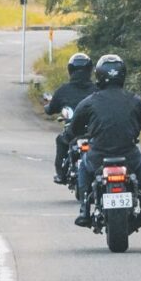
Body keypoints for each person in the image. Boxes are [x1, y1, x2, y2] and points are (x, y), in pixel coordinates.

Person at [63, 53, 141, 226]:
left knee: (83, 167)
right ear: (123, 75)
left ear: (99, 75)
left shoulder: (89, 102)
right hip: (129, 156)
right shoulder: (135, 100)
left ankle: (85, 209)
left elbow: (74, 129)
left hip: (98, 157)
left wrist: (75, 133)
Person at [42, 50, 95, 184]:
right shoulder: (97, 90)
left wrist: (47, 107)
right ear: (90, 70)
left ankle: (61, 174)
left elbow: (50, 109)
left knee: (61, 141)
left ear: (70, 70)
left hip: (73, 132)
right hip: (94, 132)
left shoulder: (63, 90)